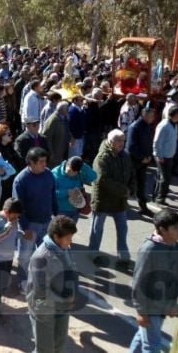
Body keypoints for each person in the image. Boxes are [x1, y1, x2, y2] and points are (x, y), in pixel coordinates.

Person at [129, 209, 178, 353]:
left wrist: (173, 302)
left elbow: (176, 276)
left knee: (143, 338)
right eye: (175, 228)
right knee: (152, 345)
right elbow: (139, 281)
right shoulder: (149, 250)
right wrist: (141, 312)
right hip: (150, 306)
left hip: (164, 304)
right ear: (162, 230)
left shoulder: (176, 247)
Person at [26, 215, 79, 353]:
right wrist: (65, 301)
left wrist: (72, 294)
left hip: (62, 308)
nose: (70, 242)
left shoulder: (64, 248)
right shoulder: (41, 257)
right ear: (56, 237)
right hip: (44, 309)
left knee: (59, 346)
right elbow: (41, 293)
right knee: (45, 349)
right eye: (68, 238)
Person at [89, 129, 136, 268]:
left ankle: (123, 256)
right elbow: (103, 180)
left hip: (119, 200)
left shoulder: (125, 156)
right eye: (119, 140)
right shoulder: (102, 158)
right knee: (97, 228)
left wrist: (132, 188)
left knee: (122, 228)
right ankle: (93, 253)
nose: (122, 143)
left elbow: (132, 173)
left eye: (123, 140)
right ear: (111, 141)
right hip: (103, 199)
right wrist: (124, 191)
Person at [13, 147, 58, 289]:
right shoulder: (21, 180)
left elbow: (53, 196)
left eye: (45, 161)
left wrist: (56, 216)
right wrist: (25, 227)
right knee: (25, 257)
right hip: (30, 225)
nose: (45, 164)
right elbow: (18, 207)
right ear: (31, 163)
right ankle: (22, 281)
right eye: (41, 162)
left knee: (46, 255)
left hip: (46, 222)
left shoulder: (49, 175)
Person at [126, 108, 157, 216]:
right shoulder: (135, 127)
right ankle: (121, 205)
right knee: (129, 185)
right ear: (145, 115)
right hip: (133, 161)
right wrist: (142, 157)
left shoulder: (147, 126)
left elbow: (148, 143)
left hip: (144, 162)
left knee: (141, 185)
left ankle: (143, 207)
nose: (153, 118)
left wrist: (149, 157)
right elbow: (131, 146)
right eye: (151, 116)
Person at [53, 156, 97, 223]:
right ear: (67, 164)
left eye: (74, 172)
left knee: (70, 233)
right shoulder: (55, 173)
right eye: (69, 171)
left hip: (75, 210)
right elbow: (50, 193)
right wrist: (67, 192)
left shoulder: (79, 173)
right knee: (59, 233)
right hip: (60, 211)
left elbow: (94, 176)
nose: (72, 174)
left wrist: (82, 165)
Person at [153, 106, 178, 205]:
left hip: (170, 154)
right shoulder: (164, 125)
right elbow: (157, 141)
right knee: (165, 178)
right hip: (163, 156)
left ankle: (157, 195)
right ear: (176, 115)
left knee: (162, 177)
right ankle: (160, 198)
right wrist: (158, 155)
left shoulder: (175, 124)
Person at [42, 101, 71, 168]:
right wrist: (51, 152)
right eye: (67, 109)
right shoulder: (53, 120)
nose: (68, 110)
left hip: (63, 149)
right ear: (62, 110)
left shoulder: (64, 117)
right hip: (55, 152)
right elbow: (46, 137)